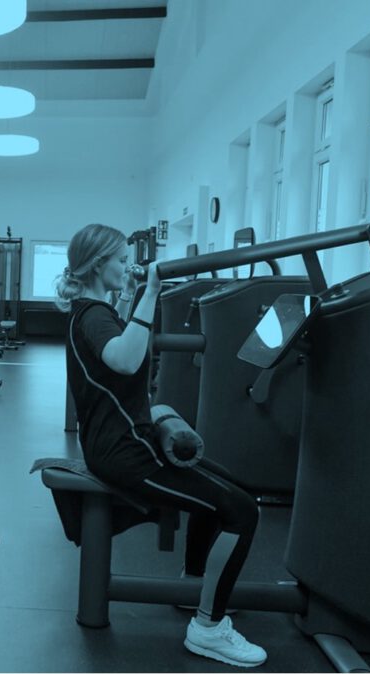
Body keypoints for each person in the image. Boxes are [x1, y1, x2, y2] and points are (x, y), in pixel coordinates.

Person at [55, 223, 267, 668]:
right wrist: (151, 291)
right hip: (126, 452)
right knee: (242, 510)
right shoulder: (92, 315)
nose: (127, 265)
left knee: (231, 490)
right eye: (120, 260)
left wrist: (133, 294)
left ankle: (195, 586)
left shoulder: (92, 309)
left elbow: (118, 341)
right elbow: (124, 358)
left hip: (126, 441)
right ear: (98, 264)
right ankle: (208, 628)